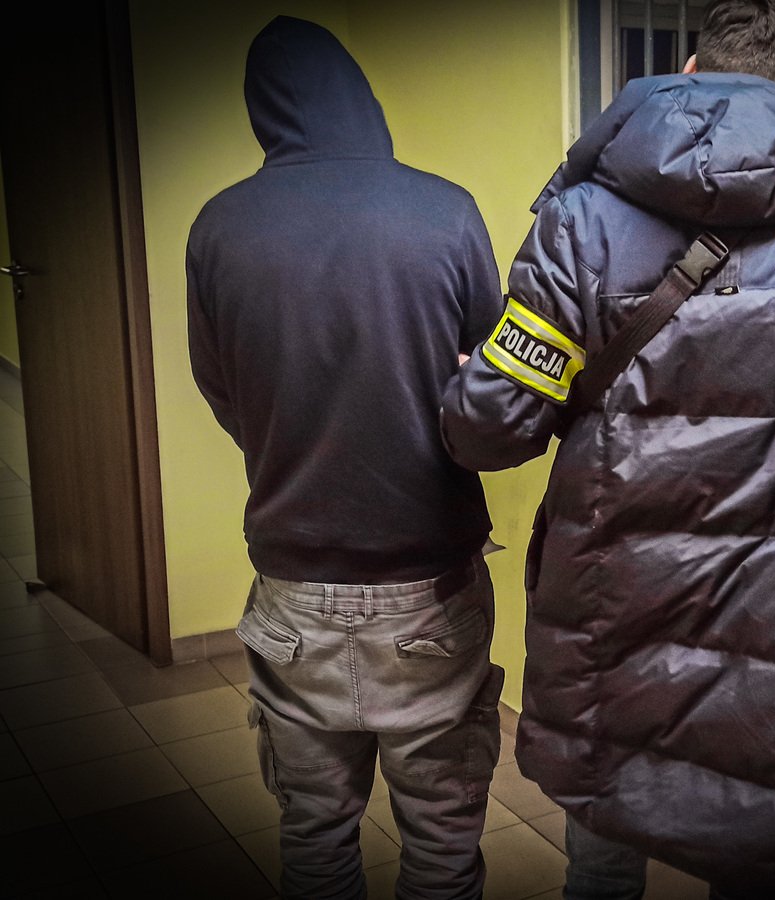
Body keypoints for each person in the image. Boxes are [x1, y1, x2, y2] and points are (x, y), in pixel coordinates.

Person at [440, 0, 775, 897]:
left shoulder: (579, 222)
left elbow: (492, 431)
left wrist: (476, 386)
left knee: (602, 862)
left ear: (689, 72)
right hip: (771, 625)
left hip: (604, 614)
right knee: (760, 848)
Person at [187, 16, 505, 900]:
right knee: (442, 840)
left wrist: (296, 445)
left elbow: (221, 389)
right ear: (361, 99)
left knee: (315, 836)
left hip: (291, 588)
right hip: (430, 586)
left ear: (263, 110)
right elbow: (494, 390)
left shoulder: (217, 226)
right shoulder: (445, 210)